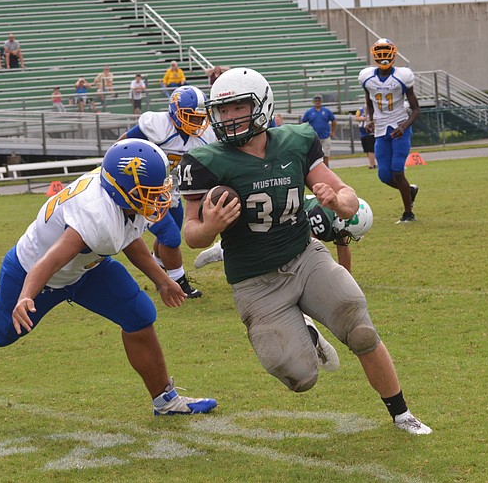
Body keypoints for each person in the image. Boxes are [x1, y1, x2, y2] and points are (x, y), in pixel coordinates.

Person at [178, 67, 432, 436]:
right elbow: (191, 234)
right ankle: (308, 335)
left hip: (304, 255)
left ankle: (402, 413)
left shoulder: (296, 140)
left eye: (239, 107)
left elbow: (343, 193)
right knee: (301, 378)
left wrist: (340, 203)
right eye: (224, 110)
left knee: (361, 331)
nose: (230, 117)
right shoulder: (205, 161)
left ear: (262, 105)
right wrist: (211, 227)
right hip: (254, 280)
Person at [0, 139, 218, 418]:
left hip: (88, 266)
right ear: (124, 189)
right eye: (150, 190)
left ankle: (165, 400)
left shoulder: (121, 197)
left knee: (139, 315)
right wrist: (26, 296)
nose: (159, 195)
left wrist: (162, 280)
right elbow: (50, 260)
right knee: (0, 332)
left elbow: (128, 237)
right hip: (34, 270)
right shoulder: (96, 214)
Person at [118, 85, 213, 299]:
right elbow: (124, 144)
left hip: (173, 190)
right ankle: (178, 281)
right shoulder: (159, 126)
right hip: (145, 189)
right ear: (175, 112)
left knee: (169, 235)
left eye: (200, 118)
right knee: (170, 237)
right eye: (191, 116)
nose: (197, 123)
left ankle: (159, 267)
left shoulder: (206, 135)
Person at [195, 195, 374, 274]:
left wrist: (346, 279)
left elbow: (342, 245)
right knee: (263, 253)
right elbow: (306, 244)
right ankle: (222, 251)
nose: (346, 237)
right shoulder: (324, 217)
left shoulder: (335, 217)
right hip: (278, 219)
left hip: (289, 220)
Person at [359, 38, 421, 223]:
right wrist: (370, 119)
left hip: (399, 127)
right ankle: (409, 191)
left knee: (397, 171)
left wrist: (403, 126)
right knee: (384, 175)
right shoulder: (367, 77)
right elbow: (369, 101)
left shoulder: (402, 76)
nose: (384, 56)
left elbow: (416, 109)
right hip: (380, 130)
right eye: (380, 51)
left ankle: (408, 213)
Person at [300, 94, 336, 167]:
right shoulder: (309, 112)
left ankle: (327, 170)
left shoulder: (326, 111)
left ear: (321, 101)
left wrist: (333, 131)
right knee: (315, 156)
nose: (317, 102)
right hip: (314, 137)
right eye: (316, 100)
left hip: (325, 136)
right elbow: (303, 122)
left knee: (325, 155)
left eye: (319, 100)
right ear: (314, 102)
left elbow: (333, 120)